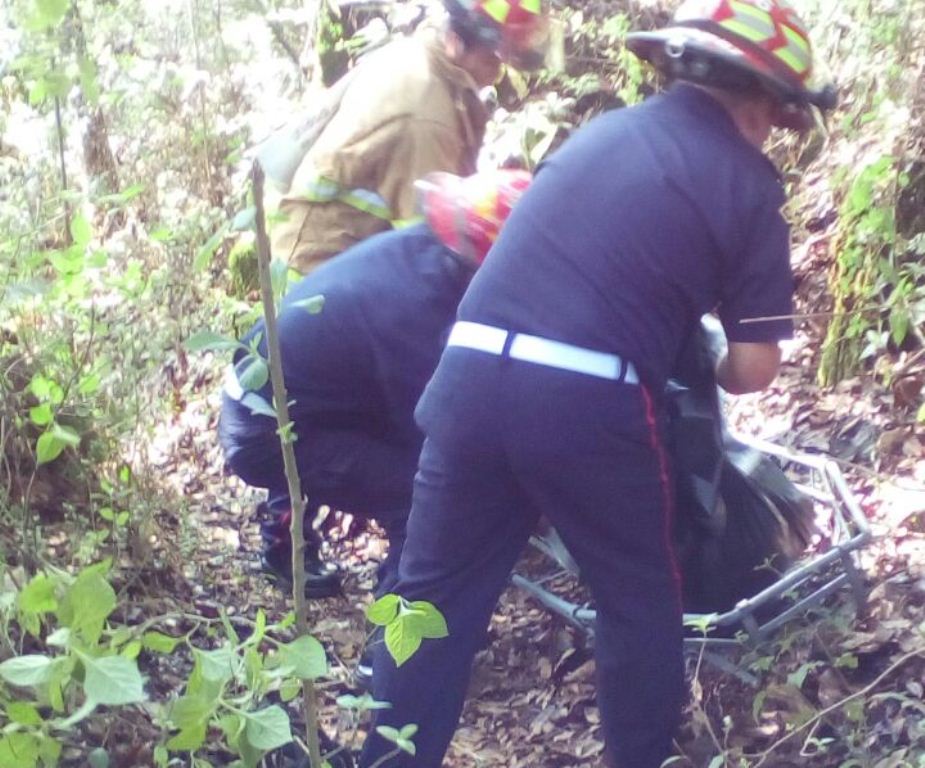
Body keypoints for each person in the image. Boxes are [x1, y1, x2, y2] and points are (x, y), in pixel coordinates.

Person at [359, 1, 837, 766]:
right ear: (762, 101)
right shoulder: (745, 185)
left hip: (466, 378)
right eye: (781, 117)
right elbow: (751, 372)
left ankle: (387, 757)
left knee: (432, 600)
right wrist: (702, 352)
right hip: (581, 404)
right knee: (638, 602)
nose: (773, 132)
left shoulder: (600, 134)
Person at [218, 170, 531, 603]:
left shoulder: (420, 250)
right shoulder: (419, 307)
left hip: (267, 397)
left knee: (321, 406)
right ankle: (390, 650)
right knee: (423, 495)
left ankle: (283, 546)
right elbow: (428, 428)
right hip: (264, 431)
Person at [270, 0, 550, 275]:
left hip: (344, 256)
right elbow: (434, 245)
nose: (497, 74)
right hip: (318, 272)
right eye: (492, 59)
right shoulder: (427, 116)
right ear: (456, 40)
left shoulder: (425, 60)